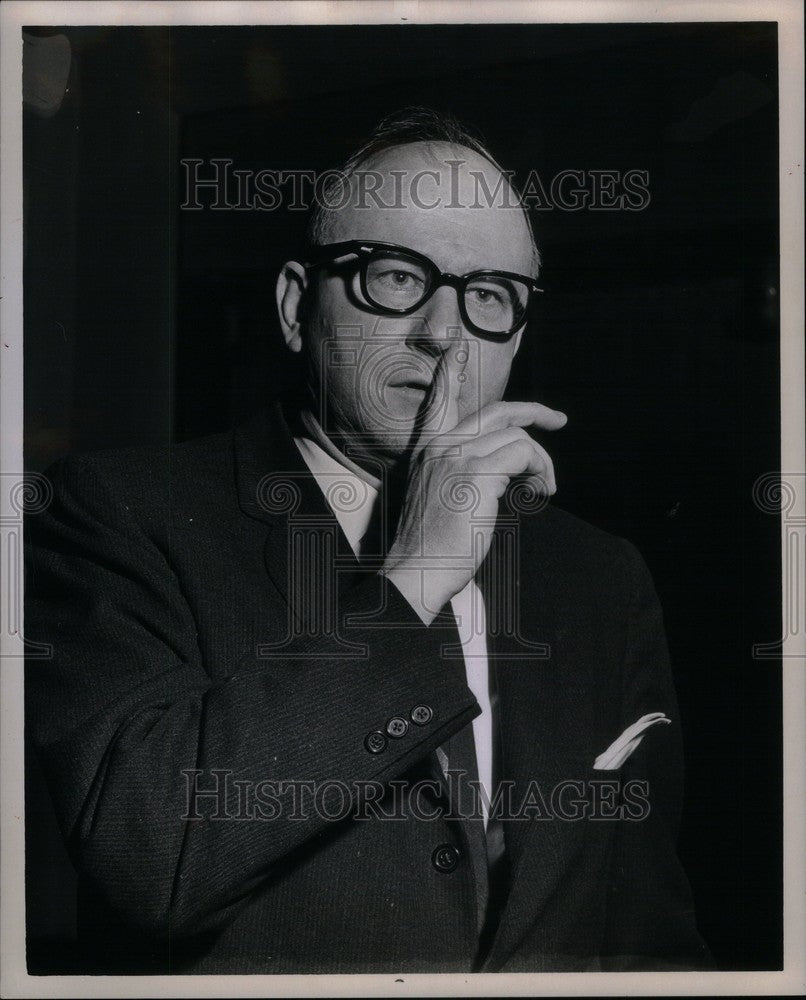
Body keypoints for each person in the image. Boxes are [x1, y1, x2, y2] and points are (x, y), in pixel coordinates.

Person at [25, 108, 712, 974]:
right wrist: (414, 576)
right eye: (396, 276)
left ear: (519, 336)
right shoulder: (120, 514)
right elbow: (151, 855)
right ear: (294, 305)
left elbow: (647, 937)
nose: (443, 332)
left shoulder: (598, 577)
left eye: (490, 295)